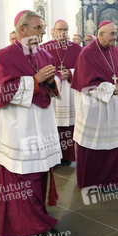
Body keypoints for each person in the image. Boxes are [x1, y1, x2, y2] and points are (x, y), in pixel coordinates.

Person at [0, 10, 63, 236]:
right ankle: (29, 225)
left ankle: (38, 216)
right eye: (38, 27)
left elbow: (56, 83)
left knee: (39, 172)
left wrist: (51, 81)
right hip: (18, 128)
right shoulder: (2, 57)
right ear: (22, 29)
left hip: (42, 124)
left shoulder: (44, 55)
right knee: (23, 175)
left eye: (43, 27)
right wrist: (35, 80)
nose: (43, 32)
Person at [71, 20, 118, 190]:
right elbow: (86, 84)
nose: (115, 37)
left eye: (116, 33)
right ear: (100, 34)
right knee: (97, 145)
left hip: (115, 105)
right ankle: (95, 182)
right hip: (96, 108)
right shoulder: (87, 53)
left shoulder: (113, 50)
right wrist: (111, 89)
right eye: (112, 34)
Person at [41, 20, 82, 166]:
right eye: (59, 29)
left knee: (69, 125)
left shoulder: (77, 48)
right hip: (52, 90)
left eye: (65, 29)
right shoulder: (44, 48)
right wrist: (57, 75)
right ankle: (52, 155)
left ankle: (67, 155)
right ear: (53, 31)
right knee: (51, 123)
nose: (62, 33)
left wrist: (70, 73)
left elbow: (84, 70)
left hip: (70, 92)